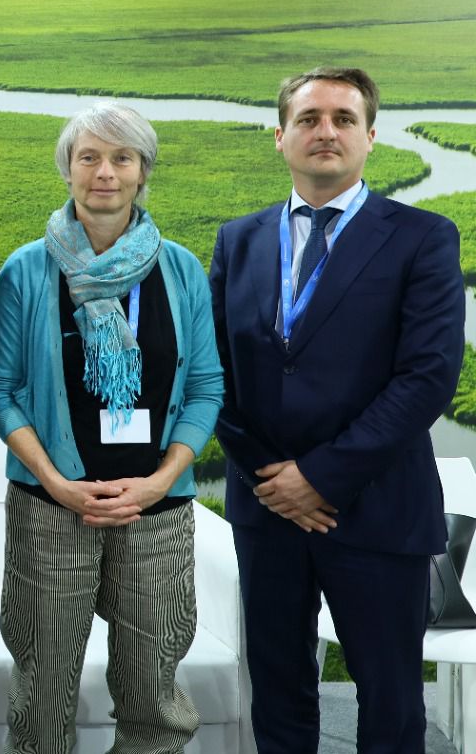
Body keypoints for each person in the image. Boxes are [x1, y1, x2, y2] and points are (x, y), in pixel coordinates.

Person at [211, 66, 464, 753]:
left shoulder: (422, 237)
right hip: (267, 511)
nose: (326, 131)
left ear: (370, 137)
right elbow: (211, 372)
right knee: (278, 691)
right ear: (280, 136)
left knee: (390, 700)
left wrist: (319, 477)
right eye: (309, 119)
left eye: (344, 119)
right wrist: (271, 477)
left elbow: (428, 377)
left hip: (377, 510)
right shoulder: (238, 240)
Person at [0, 102, 223, 753]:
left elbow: (206, 388)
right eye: (88, 157)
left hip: (157, 509)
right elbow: (0, 390)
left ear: (143, 171)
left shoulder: (180, 270)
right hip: (50, 506)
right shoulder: (26, 270)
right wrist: (56, 482)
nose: (105, 172)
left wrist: (161, 481)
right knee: (42, 683)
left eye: (122, 158)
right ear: (67, 169)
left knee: (153, 687)